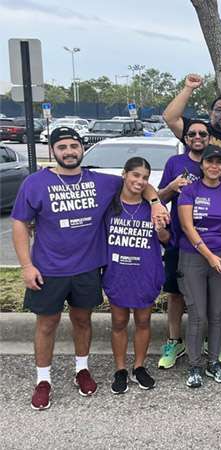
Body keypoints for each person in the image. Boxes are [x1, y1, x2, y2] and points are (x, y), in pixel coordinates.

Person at [11, 126, 167, 410]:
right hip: (49, 269)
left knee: (82, 321)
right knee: (47, 324)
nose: (69, 151)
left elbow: (140, 183)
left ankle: (82, 370)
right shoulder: (35, 183)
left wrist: (155, 203)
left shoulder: (101, 182)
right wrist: (26, 265)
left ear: (82, 148)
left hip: (88, 268)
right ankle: (43, 380)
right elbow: (20, 222)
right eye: (63, 147)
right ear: (53, 150)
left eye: (74, 146)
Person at [178, 146, 221, 388]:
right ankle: (194, 366)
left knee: (216, 315)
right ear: (202, 165)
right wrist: (209, 255)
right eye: (210, 162)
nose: (214, 166)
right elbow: (187, 227)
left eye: (219, 163)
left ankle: (213, 362)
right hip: (194, 257)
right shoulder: (190, 190)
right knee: (198, 315)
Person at [105, 157, 167, 394]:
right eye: (135, 175)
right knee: (119, 322)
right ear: (124, 174)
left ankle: (139, 366)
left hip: (145, 271)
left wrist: (160, 227)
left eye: (144, 177)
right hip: (117, 272)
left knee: (143, 321)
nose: (140, 181)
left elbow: (166, 240)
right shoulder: (109, 204)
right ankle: (120, 369)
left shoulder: (153, 206)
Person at [156, 119, 214, 369]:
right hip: (179, 239)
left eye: (203, 133)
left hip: (212, 241)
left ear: (209, 138)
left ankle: (204, 341)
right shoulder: (175, 163)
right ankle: (174, 340)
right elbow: (157, 199)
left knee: (209, 294)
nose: (198, 137)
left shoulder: (216, 161)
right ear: (186, 138)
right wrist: (170, 186)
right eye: (192, 134)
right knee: (176, 293)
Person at [163, 73, 221, 164]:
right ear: (211, 113)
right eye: (219, 109)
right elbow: (170, 118)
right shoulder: (199, 132)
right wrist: (189, 88)